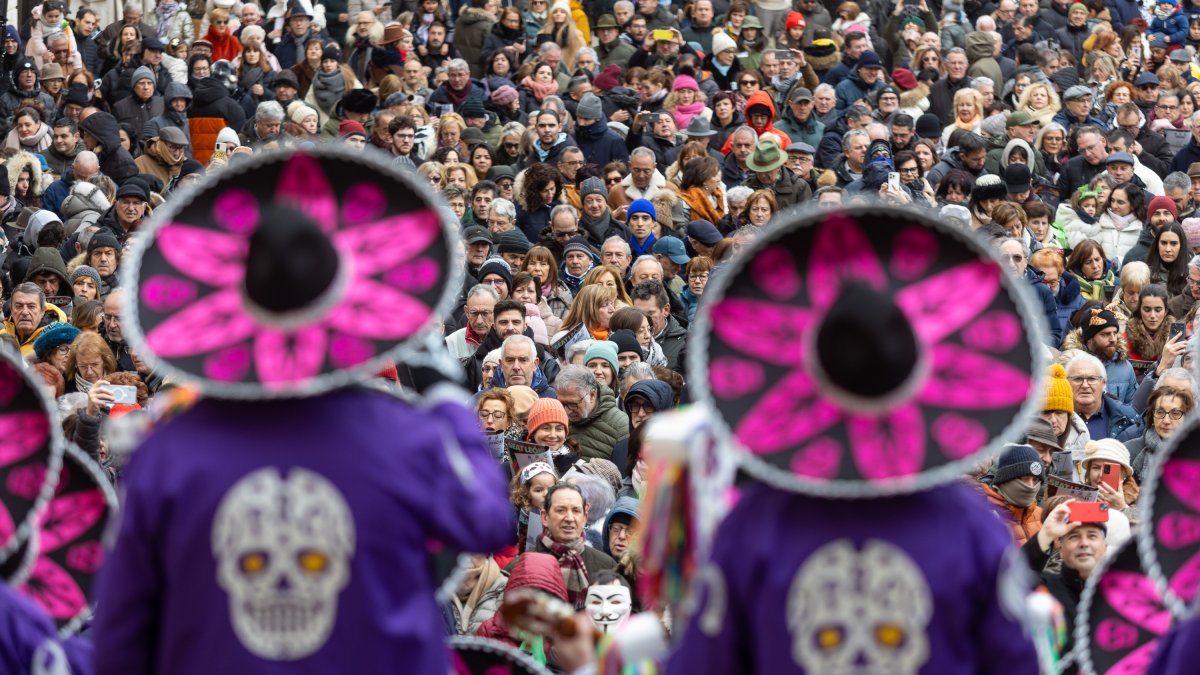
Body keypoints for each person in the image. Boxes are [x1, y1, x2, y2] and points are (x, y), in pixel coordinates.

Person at [522, 482, 617, 610]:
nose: (569, 518)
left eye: (576, 511)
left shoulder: (606, 566)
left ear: (585, 518)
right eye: (561, 510)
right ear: (545, 517)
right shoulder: (523, 567)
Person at [1065, 352, 1142, 443]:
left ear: (1104, 383)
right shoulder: (1054, 416)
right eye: (1078, 379)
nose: (1085, 385)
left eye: (1092, 379)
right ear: (1066, 382)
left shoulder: (1128, 418)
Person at [555, 365, 628, 460]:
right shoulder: (556, 418)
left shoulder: (620, 427)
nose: (566, 411)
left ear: (592, 395)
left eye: (573, 404)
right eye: (561, 403)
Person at [976, 444, 1045, 546]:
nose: (1031, 486)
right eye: (1024, 479)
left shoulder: (1040, 515)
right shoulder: (981, 515)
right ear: (1005, 479)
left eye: (1035, 480)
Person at [1128, 385, 1195, 483]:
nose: (1166, 420)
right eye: (1160, 412)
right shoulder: (1129, 451)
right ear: (1152, 417)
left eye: (1175, 413)